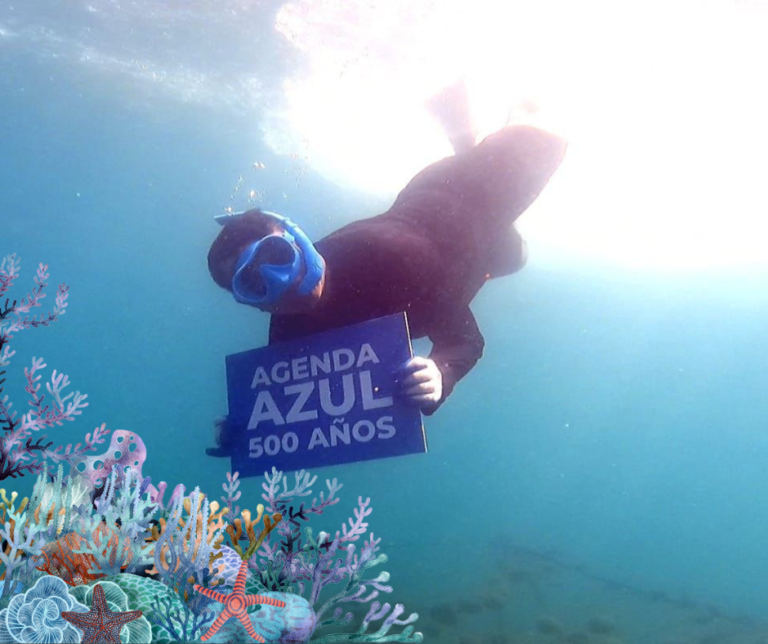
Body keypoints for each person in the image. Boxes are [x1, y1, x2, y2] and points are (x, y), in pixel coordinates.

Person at [206, 82, 567, 456]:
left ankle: (498, 121)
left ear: (297, 239)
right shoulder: (287, 325)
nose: (279, 281)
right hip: (470, 247)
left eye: (276, 256)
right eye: (252, 283)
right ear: (255, 304)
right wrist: (244, 428)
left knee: (541, 127)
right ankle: (467, 145)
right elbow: (284, 397)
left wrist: (442, 371)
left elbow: (465, 340)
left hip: (470, 197)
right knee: (513, 257)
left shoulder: (393, 261)